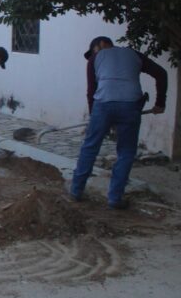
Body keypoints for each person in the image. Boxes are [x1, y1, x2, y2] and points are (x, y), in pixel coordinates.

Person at [69, 36, 167, 209]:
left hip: (103, 104)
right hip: (131, 106)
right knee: (126, 152)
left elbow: (91, 90)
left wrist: (96, 118)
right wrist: (160, 103)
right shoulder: (133, 54)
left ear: (102, 44)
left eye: (94, 49)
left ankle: (76, 191)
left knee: (90, 147)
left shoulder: (95, 59)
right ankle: (115, 198)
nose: (95, 53)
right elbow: (161, 73)